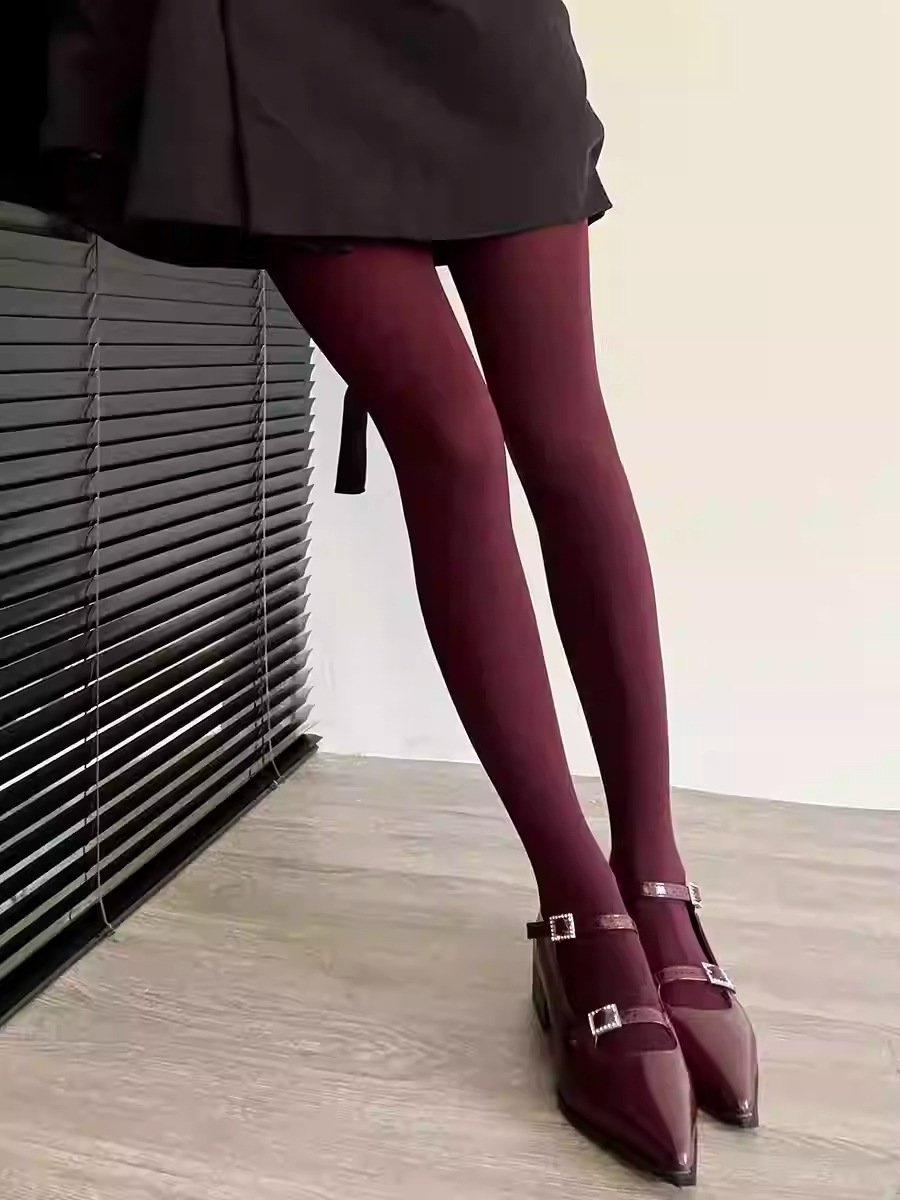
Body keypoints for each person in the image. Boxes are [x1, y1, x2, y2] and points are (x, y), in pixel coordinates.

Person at [19, 0, 758, 1186]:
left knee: (567, 440)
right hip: (285, 42)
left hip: (479, 29)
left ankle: (657, 877)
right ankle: (583, 908)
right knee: (453, 444)